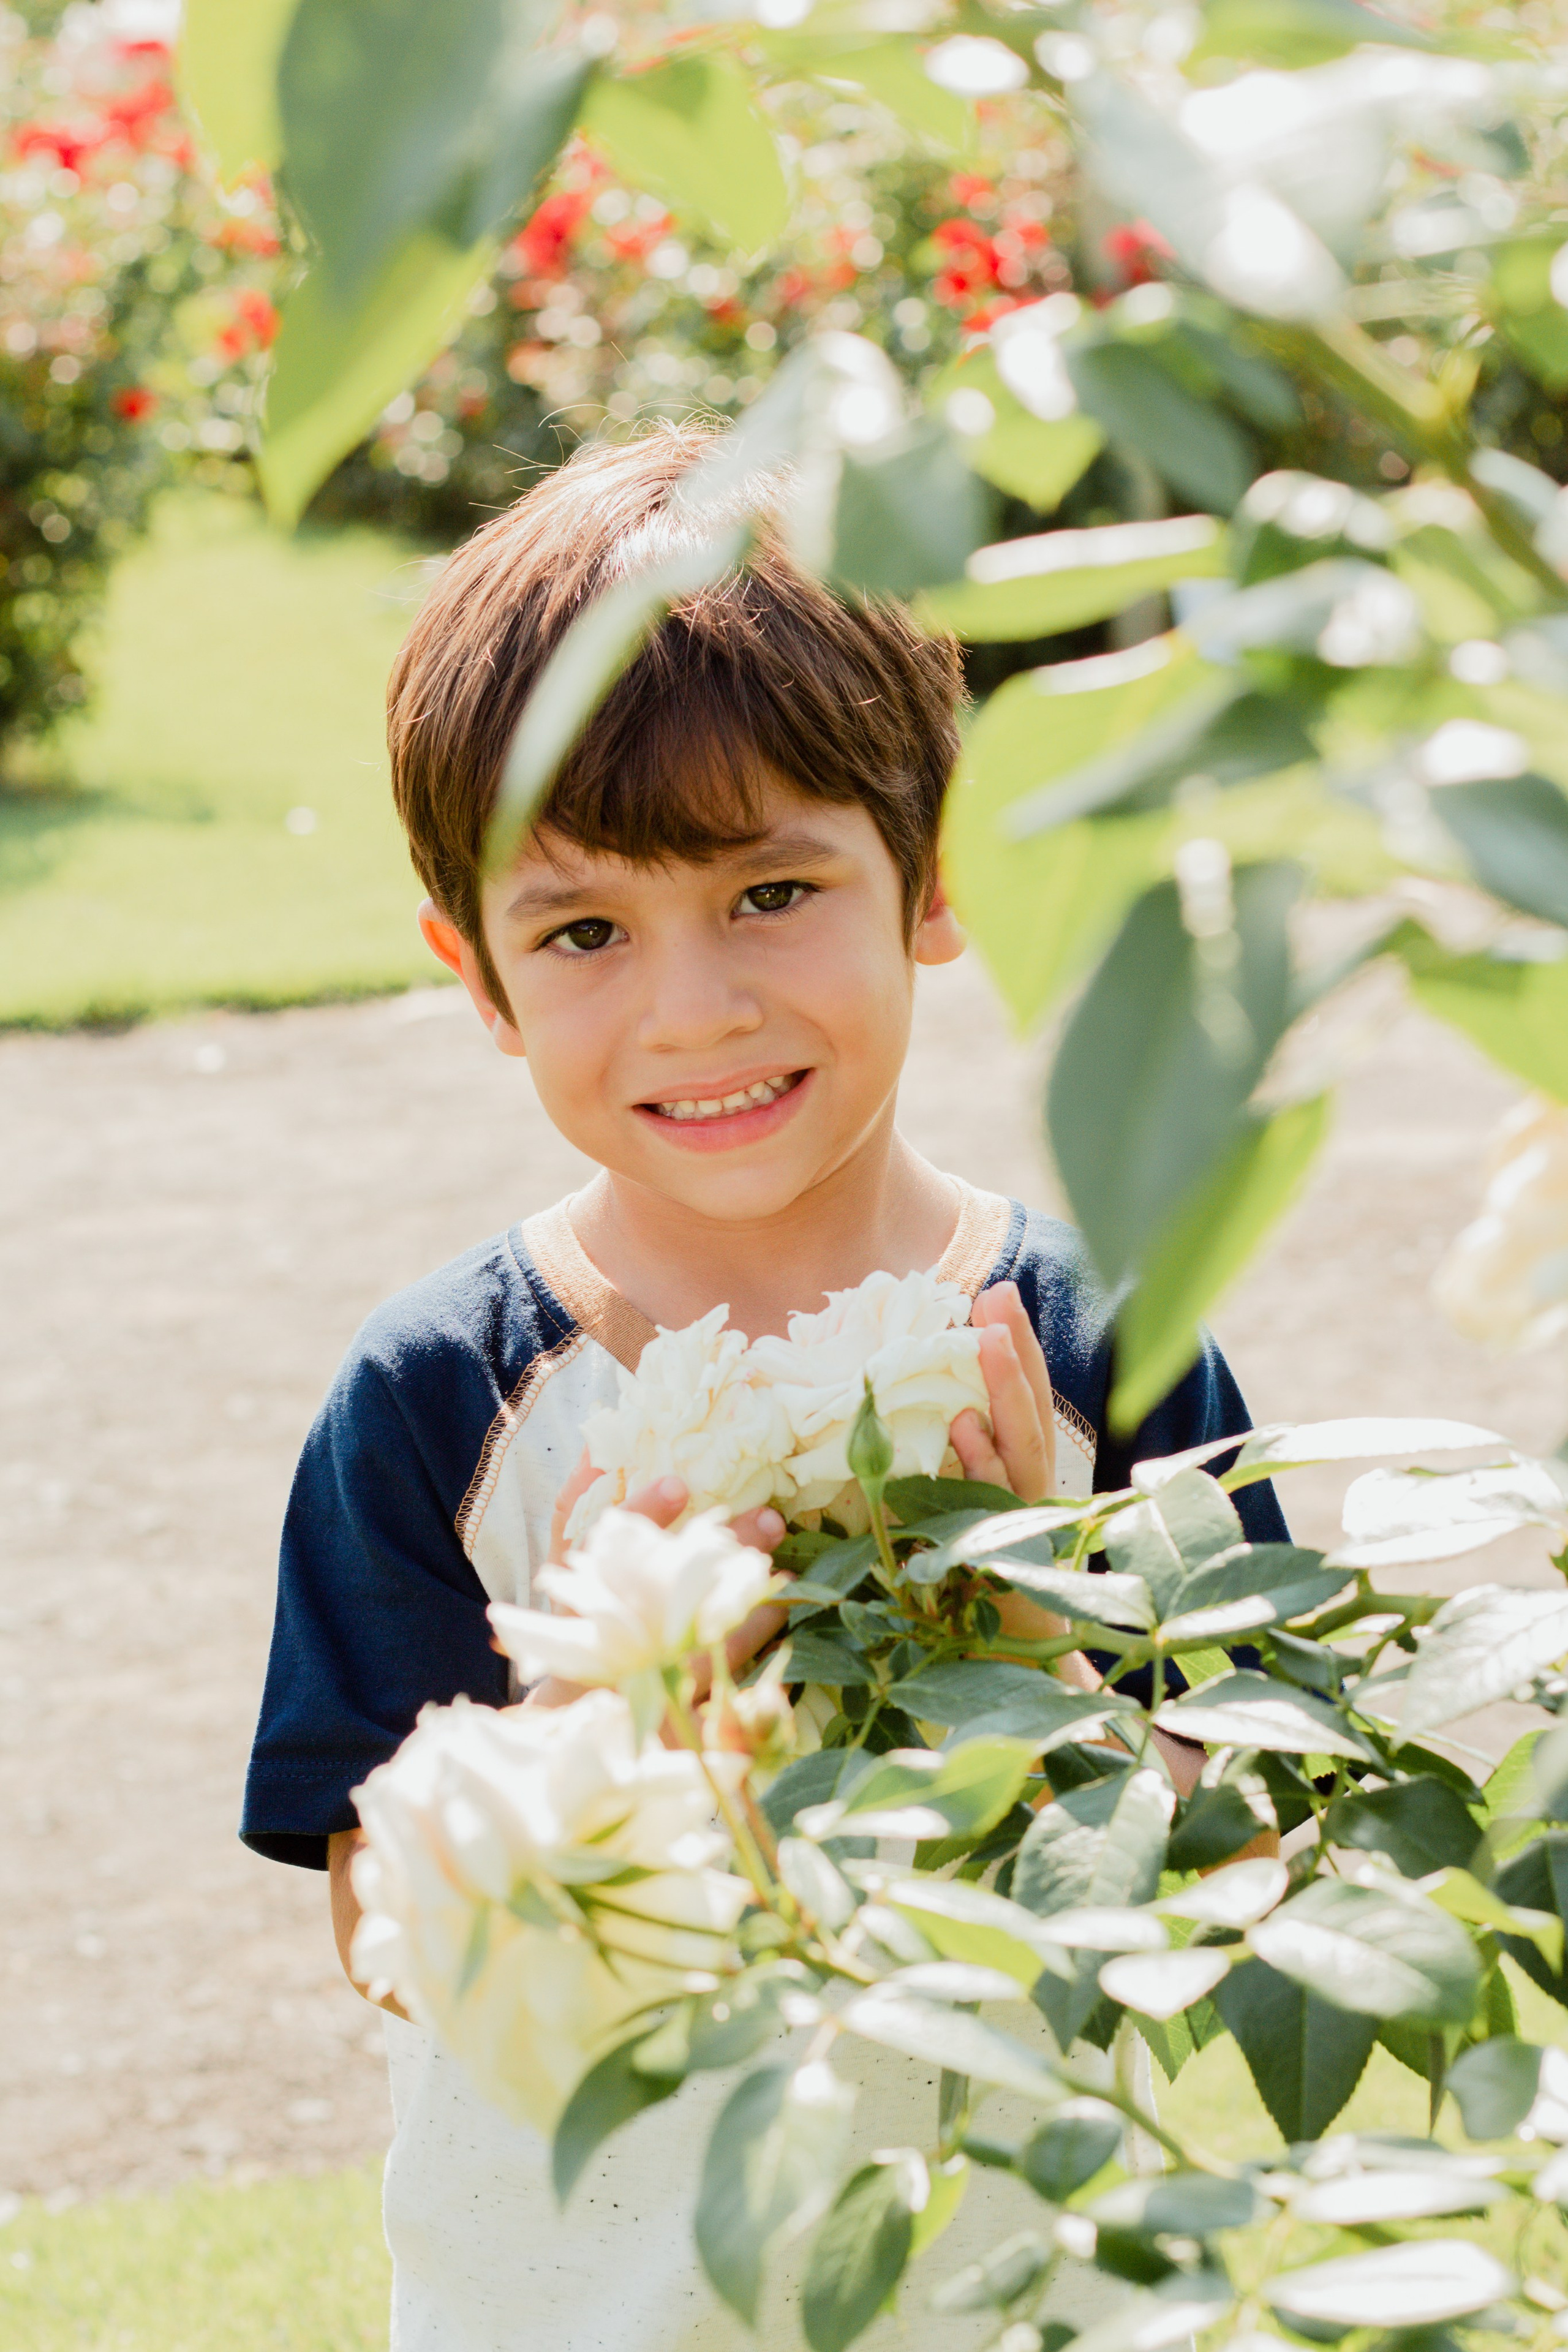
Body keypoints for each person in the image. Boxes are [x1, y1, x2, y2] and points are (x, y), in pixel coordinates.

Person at [240, 426, 1287, 2352]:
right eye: (582, 933)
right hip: (574, 2307)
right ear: (476, 975)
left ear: (931, 880)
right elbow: (390, 1939)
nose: (693, 1009)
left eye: (770, 891)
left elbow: (1248, 1856)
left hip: (1000, 2297)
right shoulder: (437, 1401)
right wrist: (611, 1709)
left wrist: (1033, 1659)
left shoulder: (1091, 1343)